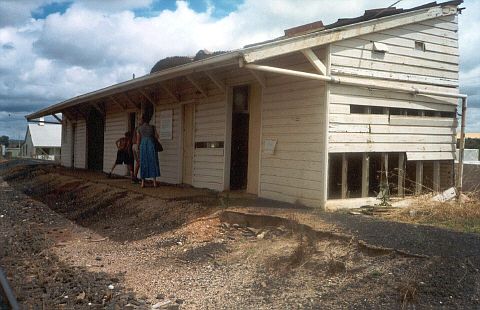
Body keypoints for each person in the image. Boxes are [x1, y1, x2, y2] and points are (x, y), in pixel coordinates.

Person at [136, 114, 160, 188]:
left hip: (143, 145)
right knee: (152, 162)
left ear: (142, 120)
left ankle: (142, 183)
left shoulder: (139, 128)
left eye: (140, 119)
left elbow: (138, 140)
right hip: (151, 144)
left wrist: (138, 148)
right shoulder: (153, 127)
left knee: (143, 162)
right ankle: (154, 183)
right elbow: (157, 136)